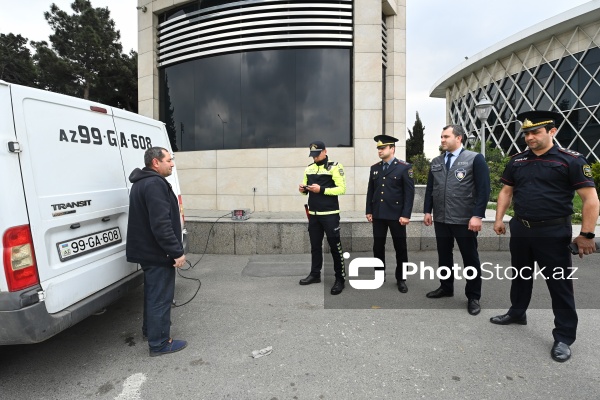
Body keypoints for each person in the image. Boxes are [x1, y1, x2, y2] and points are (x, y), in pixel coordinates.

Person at [491, 110, 599, 362]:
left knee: (559, 285)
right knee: (520, 275)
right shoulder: (517, 160)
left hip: (553, 232)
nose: (529, 137)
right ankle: (517, 312)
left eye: (535, 132)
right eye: (526, 133)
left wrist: (586, 234)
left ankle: (563, 336)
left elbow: (590, 199)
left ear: (552, 131)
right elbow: (507, 191)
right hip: (521, 228)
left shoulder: (570, 160)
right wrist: (499, 219)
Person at [423, 124, 490, 315]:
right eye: (441, 137)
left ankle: (474, 296)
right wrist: (427, 211)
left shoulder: (475, 159)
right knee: (444, 256)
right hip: (442, 219)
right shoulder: (436, 161)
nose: (442, 140)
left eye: (446, 136)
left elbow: (484, 190)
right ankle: (446, 287)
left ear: (458, 138)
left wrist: (477, 215)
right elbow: (430, 189)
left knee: (470, 259)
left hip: (464, 219)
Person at [126, 147, 187, 357]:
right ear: (155, 162)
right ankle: (160, 342)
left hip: (148, 251)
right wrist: (176, 252)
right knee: (160, 297)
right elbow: (161, 225)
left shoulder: (143, 182)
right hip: (157, 253)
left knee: (153, 295)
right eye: (169, 160)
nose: (172, 164)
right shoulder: (153, 184)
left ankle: (149, 332)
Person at [365, 134, 415, 293]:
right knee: (378, 246)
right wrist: (369, 210)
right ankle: (379, 275)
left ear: (392, 149)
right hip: (378, 215)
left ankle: (401, 278)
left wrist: (406, 215)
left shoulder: (404, 167)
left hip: (396, 215)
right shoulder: (375, 168)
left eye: (383, 148)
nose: (379, 151)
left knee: (400, 247)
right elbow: (370, 191)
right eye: (378, 148)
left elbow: (409, 193)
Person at [298, 141, 347, 295]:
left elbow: (342, 189)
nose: (315, 158)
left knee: (335, 247)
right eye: (312, 155)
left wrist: (322, 189)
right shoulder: (309, 168)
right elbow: (306, 190)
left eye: (317, 154)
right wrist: (302, 190)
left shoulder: (335, 166)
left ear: (325, 151)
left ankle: (340, 279)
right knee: (315, 246)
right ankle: (315, 274)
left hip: (330, 215)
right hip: (313, 215)